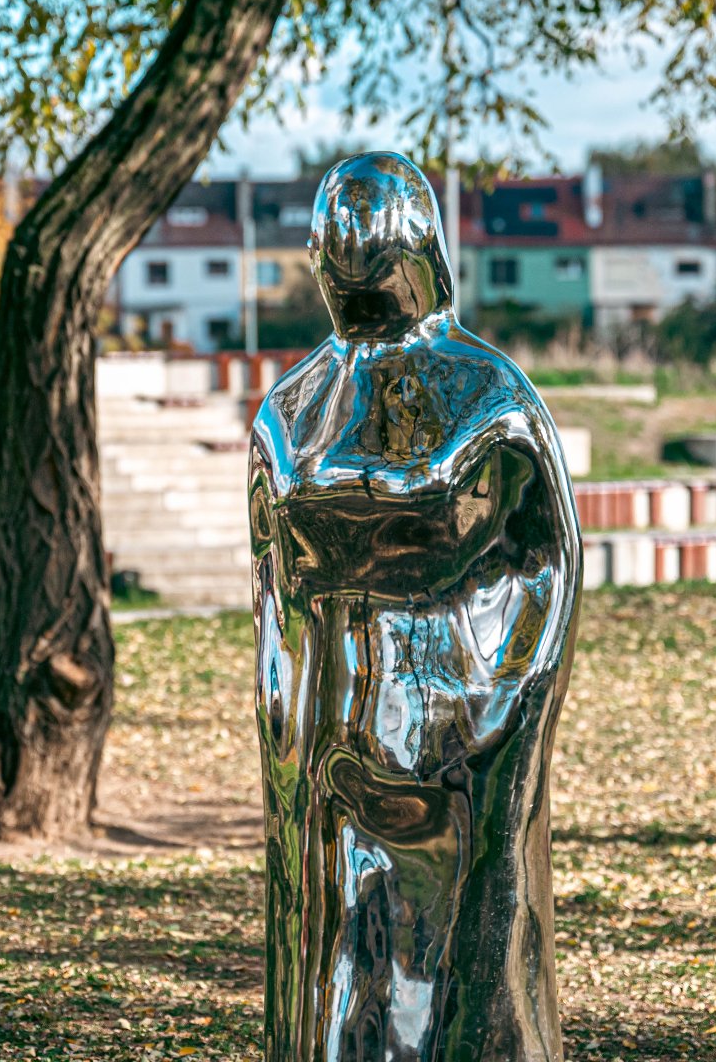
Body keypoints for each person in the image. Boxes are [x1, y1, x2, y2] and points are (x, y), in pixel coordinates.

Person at [249, 151, 581, 1060]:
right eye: (337, 241)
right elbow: (275, 595)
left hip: (459, 719)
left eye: (372, 237)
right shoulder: (293, 405)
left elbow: (545, 566)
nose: (352, 257)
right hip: (332, 725)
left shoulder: (487, 394)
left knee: (462, 939)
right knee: (342, 940)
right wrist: (284, 726)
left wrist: (503, 717)